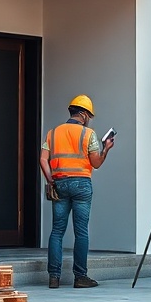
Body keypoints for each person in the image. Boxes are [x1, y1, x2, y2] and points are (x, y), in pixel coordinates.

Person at [39, 95, 114, 289]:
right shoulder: (88, 134)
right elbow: (96, 163)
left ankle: (54, 277)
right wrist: (106, 149)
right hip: (81, 185)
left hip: (60, 183)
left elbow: (42, 160)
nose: (89, 118)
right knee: (81, 232)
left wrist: (50, 180)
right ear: (82, 114)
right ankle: (80, 277)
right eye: (88, 115)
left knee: (57, 231)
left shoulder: (52, 133)